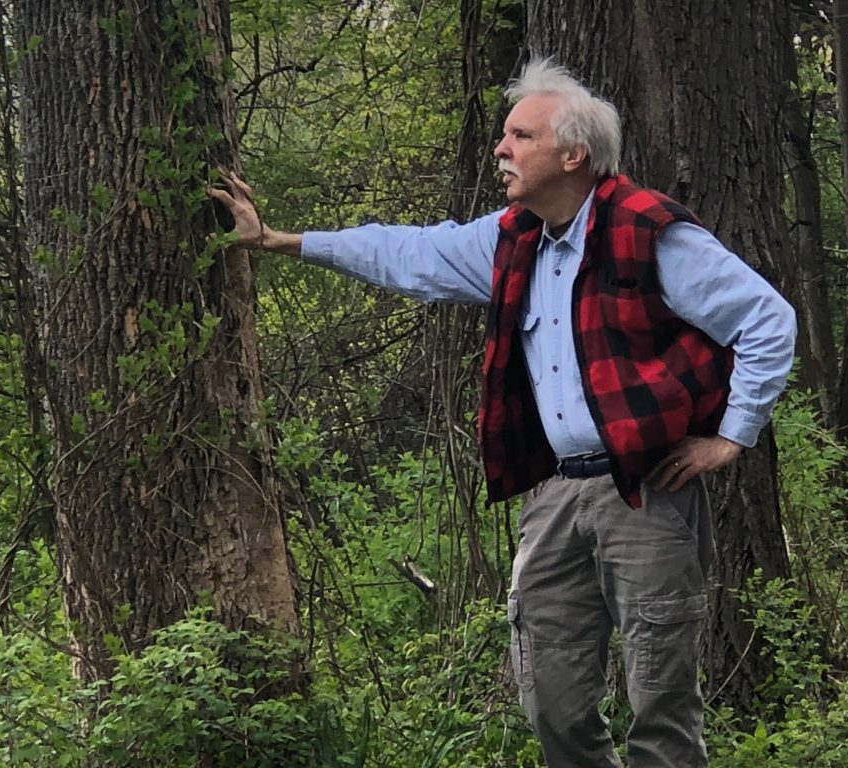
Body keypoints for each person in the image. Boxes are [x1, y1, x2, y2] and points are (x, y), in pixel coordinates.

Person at [209, 58, 795, 768]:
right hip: (553, 493)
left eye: (520, 135)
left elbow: (766, 319)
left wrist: (733, 437)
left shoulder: (650, 230)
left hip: (646, 489)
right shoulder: (511, 238)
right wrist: (281, 241)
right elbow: (409, 252)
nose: (501, 148)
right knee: (550, 694)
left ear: (573, 154)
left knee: (660, 699)